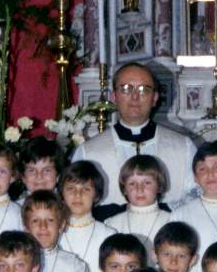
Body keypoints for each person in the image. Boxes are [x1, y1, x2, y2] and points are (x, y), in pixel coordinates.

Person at [71, 61, 198, 210]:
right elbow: (76, 203)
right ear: (114, 97)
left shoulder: (183, 147)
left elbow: (197, 196)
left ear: (155, 98)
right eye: (126, 89)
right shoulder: (88, 153)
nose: (135, 96)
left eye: (143, 89)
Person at [58, 160, 116, 272]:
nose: (77, 195)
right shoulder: (52, 233)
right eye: (71, 188)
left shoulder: (108, 234)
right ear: (62, 193)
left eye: (86, 189)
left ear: (96, 195)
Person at [24, 191, 92, 272]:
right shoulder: (16, 264)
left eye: (50, 220)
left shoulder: (74, 265)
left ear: (61, 225)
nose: (43, 226)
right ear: (26, 227)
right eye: (36, 220)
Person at [106, 154, 173, 249]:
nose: (139, 189)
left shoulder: (171, 221)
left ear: (159, 186)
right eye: (132, 184)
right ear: (124, 189)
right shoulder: (112, 225)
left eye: (147, 183)